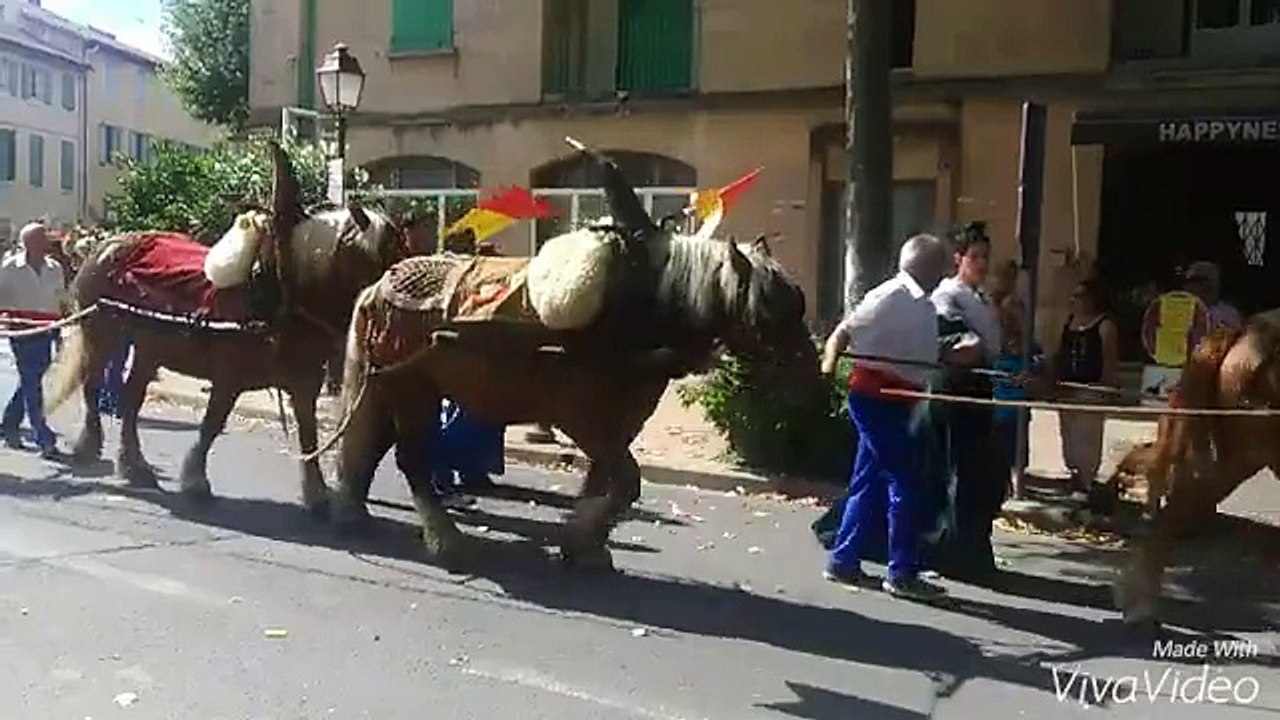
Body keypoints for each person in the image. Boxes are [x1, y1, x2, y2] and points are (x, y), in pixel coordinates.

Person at [819, 234, 979, 601]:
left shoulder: (921, 302)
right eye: (942, 263)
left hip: (899, 396)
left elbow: (914, 350)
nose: (947, 269)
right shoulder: (891, 295)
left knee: (869, 482)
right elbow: (844, 331)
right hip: (878, 398)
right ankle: (902, 572)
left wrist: (952, 355)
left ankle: (843, 560)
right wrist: (828, 364)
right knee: (905, 482)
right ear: (925, 265)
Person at [0, 222, 66, 459]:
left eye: (45, 239)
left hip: (47, 330)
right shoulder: (10, 268)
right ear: (27, 243)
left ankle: (9, 421)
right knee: (31, 380)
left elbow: (60, 300)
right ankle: (43, 436)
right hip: (22, 331)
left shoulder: (54, 268)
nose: (45, 243)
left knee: (33, 377)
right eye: (40, 239)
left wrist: (61, 329)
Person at [1051, 278, 1119, 495]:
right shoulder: (1070, 321)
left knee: (1087, 437)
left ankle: (1087, 480)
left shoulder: (1104, 325)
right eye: (1075, 296)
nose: (1075, 300)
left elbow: (1109, 359)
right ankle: (1074, 475)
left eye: (1080, 296)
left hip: (1090, 390)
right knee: (1069, 435)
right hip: (1066, 388)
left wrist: (1107, 388)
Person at [1183, 261, 1242, 334]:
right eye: (1188, 281)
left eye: (1197, 281)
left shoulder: (1229, 314)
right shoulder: (1178, 310)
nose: (1190, 286)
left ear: (1211, 286)